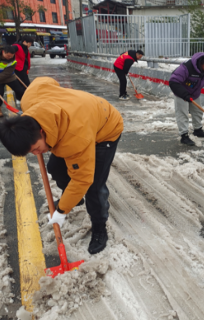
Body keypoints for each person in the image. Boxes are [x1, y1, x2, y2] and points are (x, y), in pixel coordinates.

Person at [0, 77, 123, 254]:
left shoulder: (74, 140)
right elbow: (44, 81)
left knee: (94, 185)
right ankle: (75, 198)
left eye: (36, 149)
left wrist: (62, 211)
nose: (36, 154)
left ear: (41, 132)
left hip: (105, 129)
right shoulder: (29, 100)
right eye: (31, 152)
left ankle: (99, 227)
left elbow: (82, 179)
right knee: (55, 167)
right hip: (79, 118)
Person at [169, 53, 204, 146]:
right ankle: (184, 135)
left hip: (195, 92)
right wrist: (185, 95)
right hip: (181, 92)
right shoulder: (186, 68)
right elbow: (174, 82)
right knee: (182, 113)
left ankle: (198, 130)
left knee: (197, 111)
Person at [0, 45, 26, 117]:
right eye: (8, 56)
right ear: (3, 52)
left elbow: (7, 73)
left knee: (20, 91)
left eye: (11, 56)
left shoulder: (13, 61)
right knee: (0, 93)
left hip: (10, 78)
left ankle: (25, 104)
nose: (10, 57)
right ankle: (0, 111)